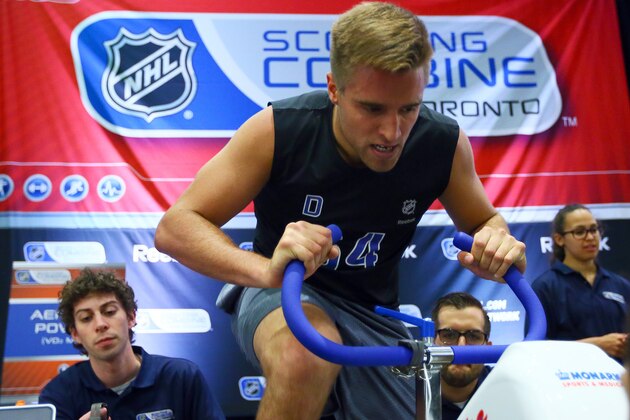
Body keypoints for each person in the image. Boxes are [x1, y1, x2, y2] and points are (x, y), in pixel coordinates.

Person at [155, 2, 526, 418]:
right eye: (372, 109)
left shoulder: (443, 142)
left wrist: (497, 240)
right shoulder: (279, 129)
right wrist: (266, 270)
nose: (392, 132)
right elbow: (176, 227)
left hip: (372, 310)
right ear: (334, 89)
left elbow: (484, 222)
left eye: (409, 108)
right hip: (283, 289)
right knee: (305, 357)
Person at [38, 269, 225, 420]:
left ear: (131, 317)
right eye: (86, 318)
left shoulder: (182, 376)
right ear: (75, 334)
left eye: (109, 311)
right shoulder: (59, 394)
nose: (100, 324)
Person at [530, 204, 630, 363]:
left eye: (594, 229)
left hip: (619, 383)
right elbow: (535, 350)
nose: (590, 237)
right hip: (569, 382)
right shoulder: (545, 286)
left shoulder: (621, 285)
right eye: (580, 232)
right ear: (559, 239)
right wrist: (597, 345)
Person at [432, 292, 493, 420]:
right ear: (431, 343)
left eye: (473, 336)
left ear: (488, 348)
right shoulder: (409, 395)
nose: (461, 348)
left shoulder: (506, 389)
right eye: (448, 335)